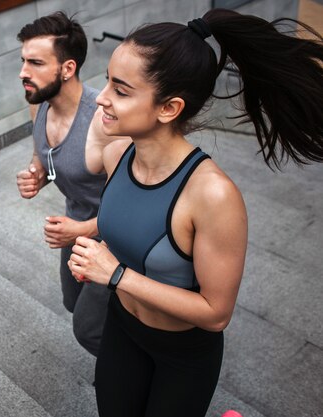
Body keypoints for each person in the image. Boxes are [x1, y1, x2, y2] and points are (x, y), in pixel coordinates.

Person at [67, 8, 323, 417]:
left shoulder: (214, 196)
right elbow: (140, 223)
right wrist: (85, 236)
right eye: (108, 82)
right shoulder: (118, 155)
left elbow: (216, 313)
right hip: (121, 326)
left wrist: (115, 273)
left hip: (181, 354)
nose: (101, 97)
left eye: (120, 89)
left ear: (168, 109)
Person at [15, 11, 125, 356]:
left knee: (89, 329)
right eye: (22, 61)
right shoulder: (40, 103)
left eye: (35, 62)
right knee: (72, 303)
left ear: (67, 68)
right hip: (74, 228)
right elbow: (46, 155)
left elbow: (135, 205)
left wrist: (84, 229)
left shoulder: (105, 122)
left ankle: (129, 373)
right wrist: (37, 174)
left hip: (115, 239)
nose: (23, 73)